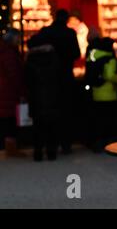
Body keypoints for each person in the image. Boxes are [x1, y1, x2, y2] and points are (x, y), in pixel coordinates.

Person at [29, 9, 81, 153]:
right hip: (65, 77)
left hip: (46, 79)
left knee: (45, 113)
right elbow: (76, 53)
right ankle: (65, 144)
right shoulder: (69, 33)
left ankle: (45, 146)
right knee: (65, 112)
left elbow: (32, 45)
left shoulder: (46, 33)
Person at [26, 37, 64, 161]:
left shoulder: (30, 59)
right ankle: (51, 152)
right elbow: (59, 76)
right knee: (52, 126)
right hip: (53, 96)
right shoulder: (54, 57)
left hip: (36, 97)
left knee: (38, 127)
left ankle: (38, 152)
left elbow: (27, 81)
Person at [85, 37, 117, 152]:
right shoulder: (110, 58)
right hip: (109, 93)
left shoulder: (93, 56)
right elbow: (109, 75)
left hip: (96, 93)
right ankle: (110, 145)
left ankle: (98, 144)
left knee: (98, 120)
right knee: (109, 120)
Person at [0, 28, 26, 157]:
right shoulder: (9, 53)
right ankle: (11, 149)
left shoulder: (6, 51)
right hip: (9, 91)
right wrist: (21, 91)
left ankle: (10, 147)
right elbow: (14, 74)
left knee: (8, 119)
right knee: (10, 120)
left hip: (6, 90)